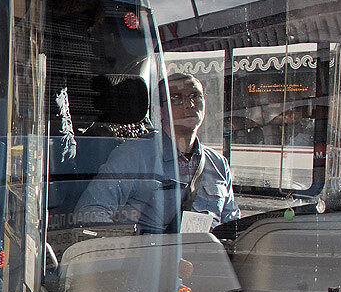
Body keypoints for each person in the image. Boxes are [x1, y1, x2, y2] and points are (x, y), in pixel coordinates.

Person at [76, 73, 239, 233]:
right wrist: (128, 248)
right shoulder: (133, 156)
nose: (189, 104)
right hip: (153, 256)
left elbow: (231, 223)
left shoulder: (218, 163)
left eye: (195, 96)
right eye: (176, 98)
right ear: (158, 110)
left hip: (207, 256)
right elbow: (90, 212)